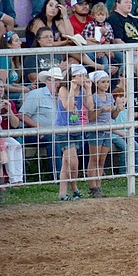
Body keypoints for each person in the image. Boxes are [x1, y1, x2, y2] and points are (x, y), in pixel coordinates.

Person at [55, 64, 89, 201]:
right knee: (73, 162)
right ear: (72, 77)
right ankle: (74, 188)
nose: (84, 78)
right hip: (63, 128)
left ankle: (62, 193)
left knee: (67, 163)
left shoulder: (83, 90)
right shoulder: (64, 89)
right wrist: (72, 90)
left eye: (84, 76)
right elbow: (68, 107)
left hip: (75, 127)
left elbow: (90, 106)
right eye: (80, 76)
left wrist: (89, 89)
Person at [84, 70, 116, 198]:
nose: (106, 84)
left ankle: (98, 186)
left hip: (107, 130)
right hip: (96, 130)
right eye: (103, 82)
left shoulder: (110, 97)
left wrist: (118, 109)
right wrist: (102, 109)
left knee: (101, 159)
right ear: (97, 83)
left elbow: (113, 115)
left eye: (107, 82)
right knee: (94, 158)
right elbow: (91, 117)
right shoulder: (93, 97)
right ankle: (93, 186)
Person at [0, 82, 24, 186]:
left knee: (16, 145)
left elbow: (15, 125)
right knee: (8, 146)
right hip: (1, 137)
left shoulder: (9, 103)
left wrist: (9, 111)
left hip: (4, 134)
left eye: (2, 87)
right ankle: (12, 180)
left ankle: (19, 179)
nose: (0, 89)